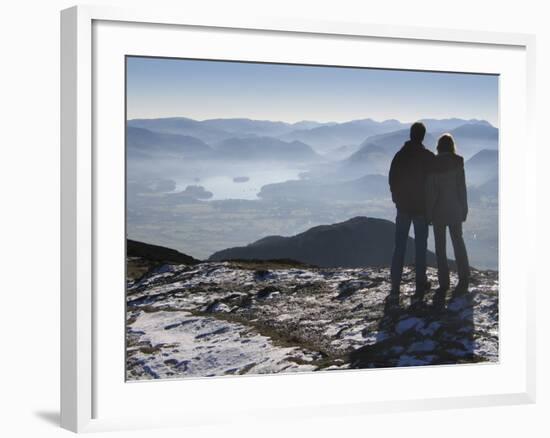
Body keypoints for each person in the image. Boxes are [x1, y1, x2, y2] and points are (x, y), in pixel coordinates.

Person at [389, 122, 435, 301]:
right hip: (421, 209)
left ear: (410, 134)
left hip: (403, 208)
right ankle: (420, 285)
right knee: (420, 248)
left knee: (399, 247)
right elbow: (434, 182)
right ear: (423, 136)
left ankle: (394, 287)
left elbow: (392, 179)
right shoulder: (428, 157)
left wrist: (397, 199)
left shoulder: (400, 155)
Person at [425, 134, 470, 299]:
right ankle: (464, 277)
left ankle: (444, 282)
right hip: (455, 209)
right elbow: (462, 189)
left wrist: (428, 213)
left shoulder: (433, 165)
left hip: (438, 212)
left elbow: (432, 193)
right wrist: (464, 209)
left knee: (440, 247)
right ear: (452, 146)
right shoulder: (458, 162)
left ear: (438, 147)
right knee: (458, 242)